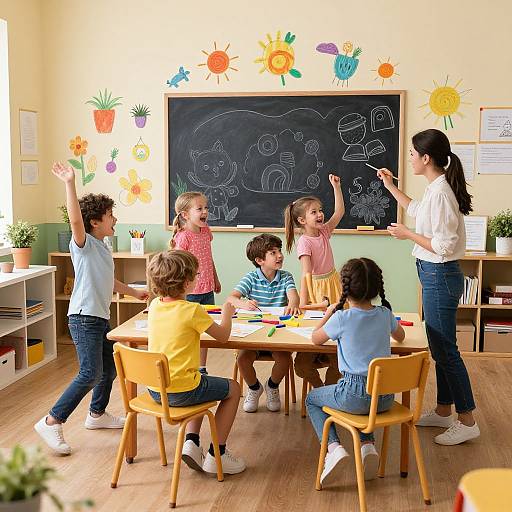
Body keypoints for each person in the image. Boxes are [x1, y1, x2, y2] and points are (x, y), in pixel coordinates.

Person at [35, 162, 149, 455]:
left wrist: (134, 292)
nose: (115, 219)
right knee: (89, 373)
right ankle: (52, 420)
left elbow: (108, 280)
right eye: (111, 215)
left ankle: (96, 415)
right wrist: (70, 183)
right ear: (95, 222)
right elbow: (75, 222)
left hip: (98, 317)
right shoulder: (83, 244)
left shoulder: (102, 247)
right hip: (84, 318)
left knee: (108, 370)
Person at [377, 128, 479, 446]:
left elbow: (444, 246)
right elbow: (417, 210)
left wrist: (408, 235)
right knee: (439, 347)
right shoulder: (436, 188)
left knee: (446, 351)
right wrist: (391, 187)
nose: (409, 158)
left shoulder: (442, 192)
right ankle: (444, 411)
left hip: (440, 274)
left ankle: (467, 420)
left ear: (425, 157)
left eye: (411, 153)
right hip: (433, 274)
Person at [306, 258, 405, 483]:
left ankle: (333, 448)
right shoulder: (384, 314)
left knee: (312, 399)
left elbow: (315, 339)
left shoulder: (341, 318)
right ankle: (367, 445)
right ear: (375, 288)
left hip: (354, 394)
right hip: (385, 397)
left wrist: (329, 313)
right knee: (365, 401)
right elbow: (401, 337)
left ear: (345, 288)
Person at [147, 250, 245, 474]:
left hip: (156, 390)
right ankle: (217, 454)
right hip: (182, 390)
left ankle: (191, 441)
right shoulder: (192, 309)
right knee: (233, 388)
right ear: (186, 283)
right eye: (196, 275)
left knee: (200, 379)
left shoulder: (155, 306)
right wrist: (227, 313)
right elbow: (222, 336)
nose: (198, 278)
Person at [284, 174, 345, 388]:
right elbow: (306, 273)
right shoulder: (305, 242)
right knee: (317, 326)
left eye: (320, 210)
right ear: (302, 220)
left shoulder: (324, 232)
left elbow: (339, 212)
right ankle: (321, 390)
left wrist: (336, 187)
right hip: (317, 287)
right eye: (314, 212)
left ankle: (331, 384)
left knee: (337, 330)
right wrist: (303, 302)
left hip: (332, 283)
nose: (320, 214)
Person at [227, 234, 300, 413]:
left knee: (284, 359)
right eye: (273, 253)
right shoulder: (251, 278)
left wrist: (293, 303)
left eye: (279, 251)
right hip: (254, 333)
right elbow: (231, 298)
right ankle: (254, 388)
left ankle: (272, 386)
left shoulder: (285, 277)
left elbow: (293, 297)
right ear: (260, 260)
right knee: (243, 359)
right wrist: (243, 303)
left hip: (278, 334)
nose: (280, 255)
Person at [169, 191, 222, 376]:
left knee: (205, 329)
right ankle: (188, 365)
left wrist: (215, 277)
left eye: (206, 207)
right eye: (199, 208)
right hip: (189, 292)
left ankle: (202, 367)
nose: (205, 211)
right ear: (185, 214)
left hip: (207, 289)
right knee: (189, 332)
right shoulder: (184, 237)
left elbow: (209, 258)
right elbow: (176, 264)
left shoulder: (206, 231)